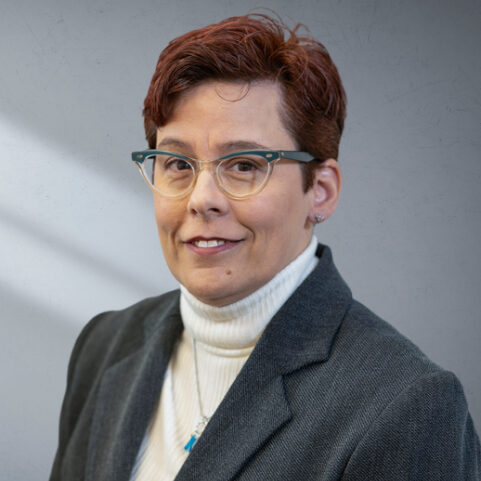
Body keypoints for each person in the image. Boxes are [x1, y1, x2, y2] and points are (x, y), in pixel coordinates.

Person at [49, 14, 480, 481]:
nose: (201, 200)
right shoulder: (105, 345)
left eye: (244, 165)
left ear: (321, 190)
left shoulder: (407, 406)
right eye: (177, 163)